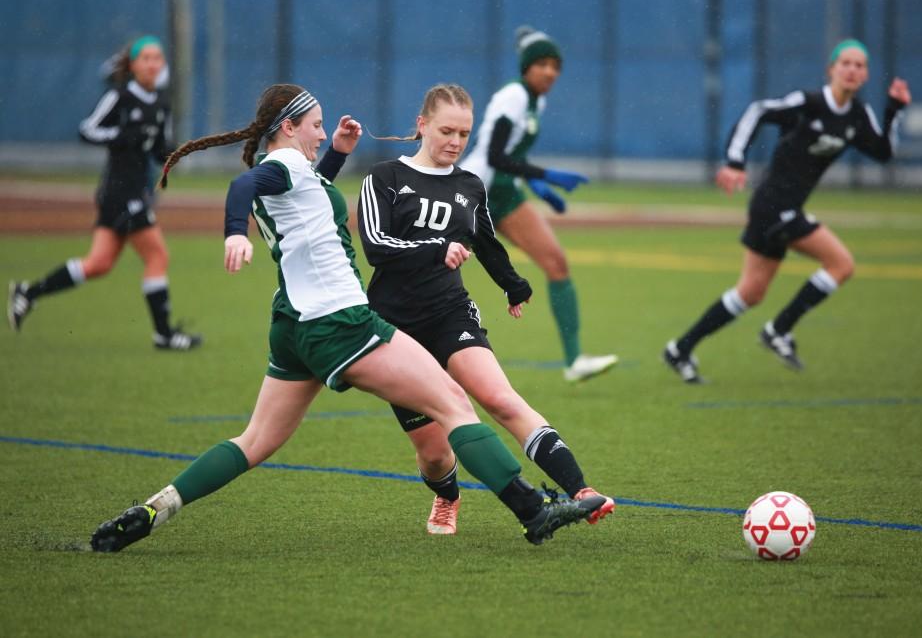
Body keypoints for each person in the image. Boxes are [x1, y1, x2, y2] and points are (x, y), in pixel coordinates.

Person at [89, 84, 606, 552]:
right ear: (288, 127)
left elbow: (307, 194)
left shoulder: (298, 175)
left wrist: (336, 151)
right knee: (454, 404)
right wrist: (234, 231)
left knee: (254, 441)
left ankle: (157, 508)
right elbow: (243, 187)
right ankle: (535, 511)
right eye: (316, 124)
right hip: (341, 322)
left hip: (292, 324)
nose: (321, 131)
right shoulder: (282, 168)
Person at [359, 84, 615, 535]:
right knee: (435, 451)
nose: (456, 142)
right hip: (395, 328)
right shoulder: (384, 178)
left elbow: (486, 242)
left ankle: (581, 491)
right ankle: (446, 495)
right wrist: (437, 248)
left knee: (500, 399)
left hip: (450, 313)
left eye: (464, 133)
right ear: (422, 125)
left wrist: (513, 285)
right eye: (446, 130)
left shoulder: (469, 185)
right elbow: (378, 247)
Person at [663, 39, 912, 383]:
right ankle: (779, 329)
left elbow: (883, 152)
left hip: (783, 209)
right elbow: (759, 111)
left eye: (860, 65)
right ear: (832, 69)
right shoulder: (808, 103)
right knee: (841, 264)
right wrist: (735, 161)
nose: (853, 70)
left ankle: (680, 348)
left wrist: (894, 110)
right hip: (773, 206)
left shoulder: (857, 116)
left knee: (750, 292)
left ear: (866, 74)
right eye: (846, 63)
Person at [7, 35, 200, 350]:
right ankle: (164, 335)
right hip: (120, 192)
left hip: (135, 190)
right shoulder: (120, 97)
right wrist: (120, 135)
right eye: (146, 58)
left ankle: (27, 293)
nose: (153, 63)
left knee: (98, 263)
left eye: (157, 58)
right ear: (133, 65)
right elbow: (87, 129)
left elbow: (158, 149)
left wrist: (172, 154)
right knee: (157, 255)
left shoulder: (163, 103)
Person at [461, 26, 618, 383]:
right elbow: (496, 155)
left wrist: (537, 186)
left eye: (556, 66)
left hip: (505, 192)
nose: (551, 72)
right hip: (475, 193)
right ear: (526, 67)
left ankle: (575, 360)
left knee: (556, 262)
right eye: (543, 64)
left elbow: (514, 155)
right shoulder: (513, 96)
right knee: (430, 267)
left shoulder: (536, 100)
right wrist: (547, 174)